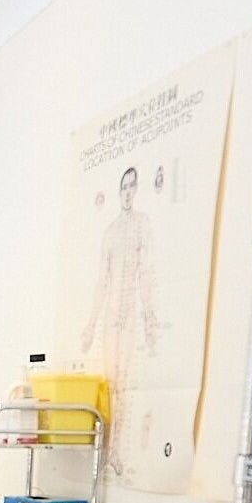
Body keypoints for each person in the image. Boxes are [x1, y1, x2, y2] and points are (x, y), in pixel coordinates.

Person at [82, 166, 160, 475]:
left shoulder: (142, 225)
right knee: (109, 383)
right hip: (110, 315)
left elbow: (146, 275)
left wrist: (150, 317)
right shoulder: (111, 232)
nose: (128, 192)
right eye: (124, 187)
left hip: (129, 315)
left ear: (136, 189)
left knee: (124, 385)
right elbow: (102, 282)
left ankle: (116, 452)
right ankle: (105, 451)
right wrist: (91, 325)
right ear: (118, 191)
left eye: (132, 186)